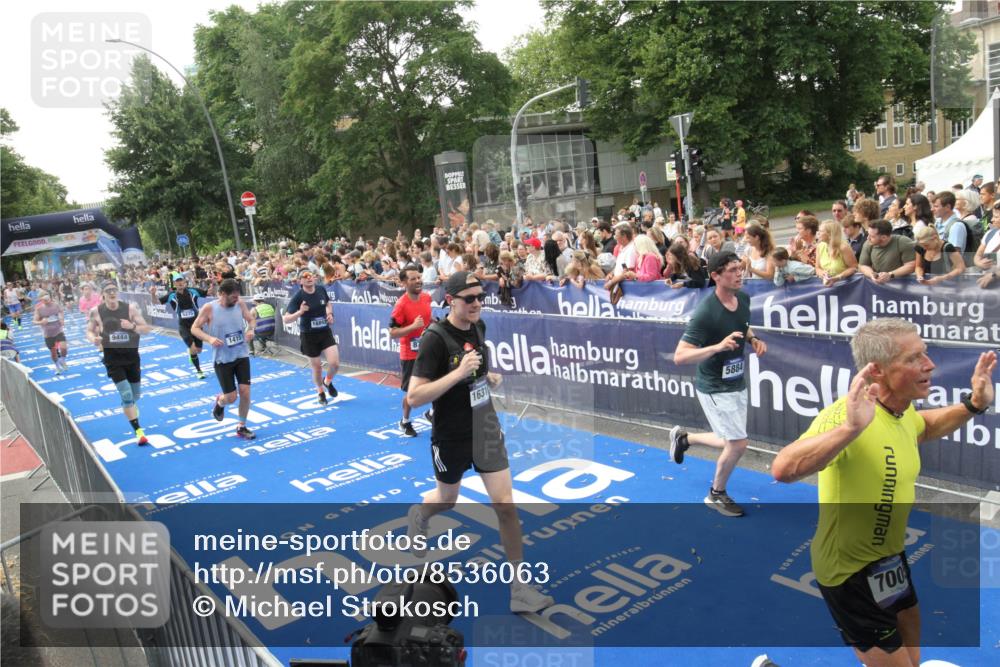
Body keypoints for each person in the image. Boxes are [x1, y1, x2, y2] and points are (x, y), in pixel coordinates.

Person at [772, 319, 996, 667]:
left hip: (889, 560)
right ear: (877, 370)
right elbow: (783, 468)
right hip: (849, 573)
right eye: (914, 358)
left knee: (911, 648)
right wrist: (848, 430)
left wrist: (973, 405)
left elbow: (925, 426)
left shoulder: (901, 412)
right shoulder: (847, 418)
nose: (930, 364)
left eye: (926, 353)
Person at [405, 272, 554, 614]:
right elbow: (414, 396)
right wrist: (458, 374)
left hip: (485, 425)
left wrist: (487, 378)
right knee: (447, 499)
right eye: (468, 298)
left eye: (480, 296)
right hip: (451, 433)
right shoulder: (435, 338)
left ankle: (519, 588)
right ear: (450, 300)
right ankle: (420, 514)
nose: (476, 303)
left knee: (506, 505)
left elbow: (475, 373)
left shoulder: (479, 327)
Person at [668, 251, 767, 517]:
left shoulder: (743, 298)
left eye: (740, 268)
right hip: (713, 386)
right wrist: (717, 347)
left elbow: (743, 325)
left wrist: (753, 339)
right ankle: (716, 494)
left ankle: (684, 439)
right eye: (733, 270)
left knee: (729, 439)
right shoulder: (705, 313)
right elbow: (680, 356)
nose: (739, 274)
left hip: (736, 381)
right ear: (716, 276)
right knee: (738, 444)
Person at [86, 281, 153, 446]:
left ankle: (129, 408)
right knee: (126, 394)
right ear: (103, 294)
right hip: (112, 358)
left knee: (135, 395)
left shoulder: (129, 309)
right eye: (108, 290)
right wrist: (93, 339)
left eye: (114, 290)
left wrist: (132, 326)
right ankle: (138, 431)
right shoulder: (96, 312)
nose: (111, 293)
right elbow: (89, 330)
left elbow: (146, 328)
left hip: (131, 357)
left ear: (118, 292)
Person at [191, 279, 257, 440]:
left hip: (241, 354)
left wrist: (251, 330)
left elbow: (251, 319)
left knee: (245, 392)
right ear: (221, 294)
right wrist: (209, 339)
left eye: (237, 296)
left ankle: (242, 426)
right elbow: (194, 328)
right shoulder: (209, 308)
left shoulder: (240, 304)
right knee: (231, 397)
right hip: (222, 359)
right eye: (232, 297)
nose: (236, 299)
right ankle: (220, 403)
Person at [282, 269, 340, 405]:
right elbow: (286, 319)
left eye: (311, 275)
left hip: (325, 332)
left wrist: (330, 314)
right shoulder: (298, 297)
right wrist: (300, 312)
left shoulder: (320, 289)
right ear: (300, 281)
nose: (309, 278)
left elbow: (327, 303)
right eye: (305, 276)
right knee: (317, 367)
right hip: (308, 335)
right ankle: (320, 391)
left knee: (335, 363)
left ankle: (328, 381)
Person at [389, 265, 433, 437]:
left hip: (429, 350)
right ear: (404, 283)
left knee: (439, 382)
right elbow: (392, 332)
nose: (418, 281)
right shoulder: (401, 305)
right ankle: (405, 421)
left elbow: (428, 321)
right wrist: (412, 327)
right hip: (410, 355)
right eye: (413, 278)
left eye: (419, 277)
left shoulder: (427, 298)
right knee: (412, 393)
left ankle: (432, 413)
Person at [151, 273, 207, 379]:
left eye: (181, 281)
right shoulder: (171, 295)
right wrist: (153, 294)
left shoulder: (193, 291)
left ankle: (191, 352)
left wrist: (213, 284)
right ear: (175, 284)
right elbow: (156, 302)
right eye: (177, 281)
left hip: (196, 325)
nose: (180, 283)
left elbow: (208, 293)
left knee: (198, 350)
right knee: (193, 349)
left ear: (185, 282)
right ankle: (199, 371)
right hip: (183, 326)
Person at [33, 290, 68, 373]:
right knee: (53, 352)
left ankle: (62, 360)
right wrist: (41, 322)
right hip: (48, 334)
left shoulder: (56, 305)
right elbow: (34, 321)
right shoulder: (39, 309)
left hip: (58, 330)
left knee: (64, 348)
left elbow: (61, 311)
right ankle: (57, 367)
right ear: (41, 300)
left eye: (48, 299)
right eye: (44, 300)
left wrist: (61, 319)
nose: (47, 301)